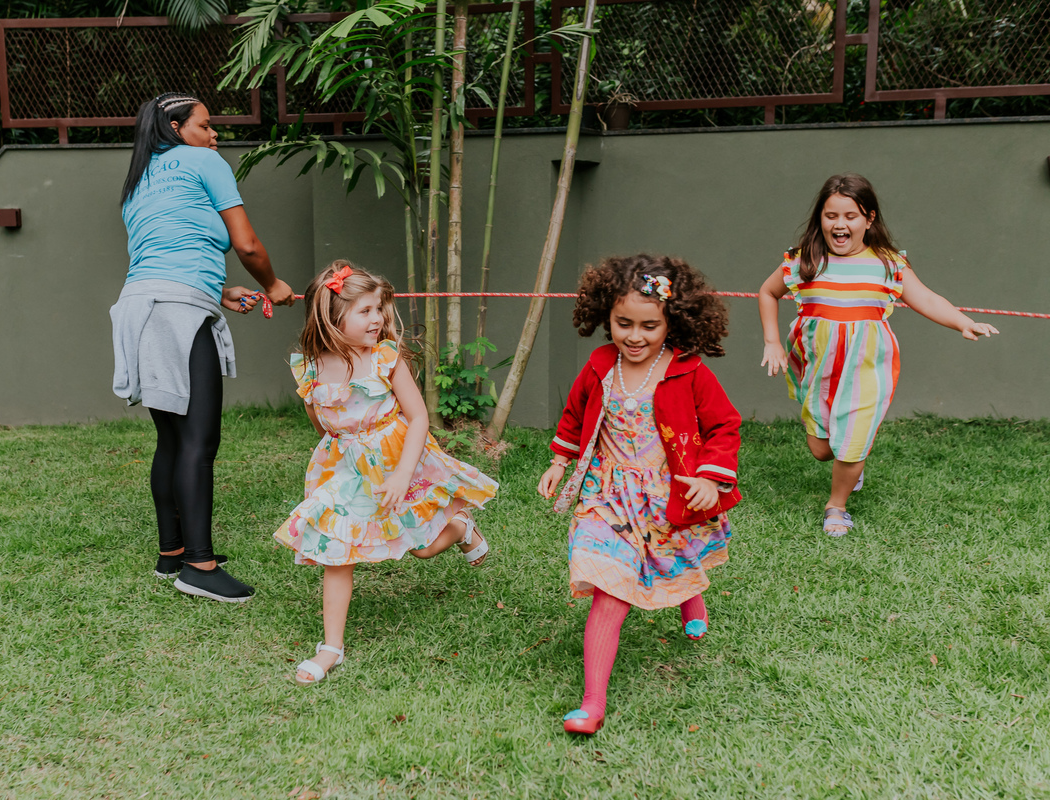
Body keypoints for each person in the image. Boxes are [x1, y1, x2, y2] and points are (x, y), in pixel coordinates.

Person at [539, 254, 741, 736]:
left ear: (672, 321)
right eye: (623, 323)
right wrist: (559, 461)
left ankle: (691, 602)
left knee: (675, 556)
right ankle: (592, 703)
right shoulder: (600, 364)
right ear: (605, 316)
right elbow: (575, 412)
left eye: (649, 326)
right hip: (605, 495)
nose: (634, 336)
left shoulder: (687, 371)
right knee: (609, 590)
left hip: (666, 493)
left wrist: (710, 479)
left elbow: (724, 425)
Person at [275, 261, 498, 685]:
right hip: (345, 470)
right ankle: (330, 649)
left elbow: (417, 418)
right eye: (365, 310)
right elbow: (320, 421)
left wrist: (400, 475)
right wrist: (340, 456)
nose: (378, 318)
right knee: (336, 553)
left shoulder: (384, 358)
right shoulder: (309, 368)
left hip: (398, 457)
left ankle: (462, 526)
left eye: (379, 308)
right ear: (331, 316)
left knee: (421, 548)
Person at [110, 92, 295, 602]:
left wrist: (219, 290)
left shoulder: (138, 182)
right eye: (206, 125)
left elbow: (164, 253)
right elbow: (248, 244)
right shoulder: (203, 162)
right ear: (176, 126)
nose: (215, 136)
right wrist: (274, 284)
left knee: (171, 439)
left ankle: (172, 554)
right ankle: (200, 566)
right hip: (176, 312)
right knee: (199, 441)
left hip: (140, 307)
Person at [758, 173, 998, 536]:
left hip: (866, 368)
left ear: (868, 219)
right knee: (822, 450)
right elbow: (767, 292)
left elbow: (927, 298)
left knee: (850, 446)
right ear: (820, 218)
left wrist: (961, 322)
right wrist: (772, 341)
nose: (840, 224)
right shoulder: (803, 261)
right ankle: (850, 457)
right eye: (831, 215)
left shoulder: (888, 264)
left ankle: (836, 506)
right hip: (819, 367)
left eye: (850, 216)